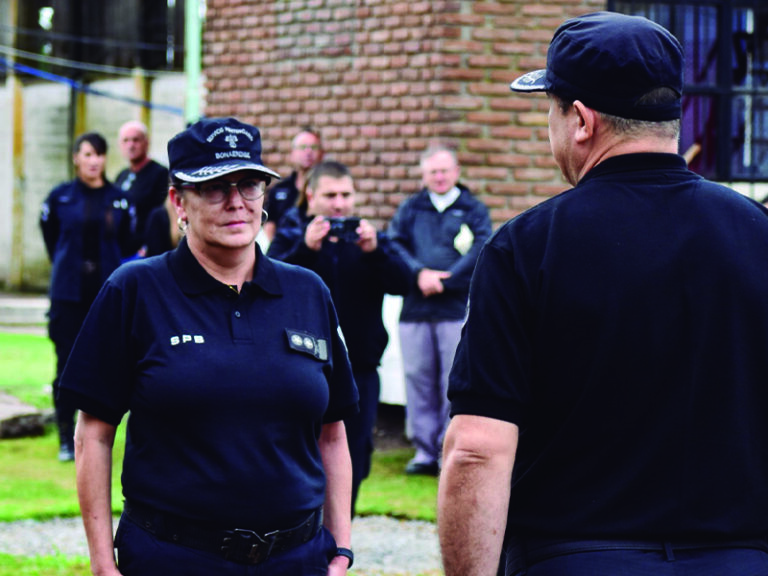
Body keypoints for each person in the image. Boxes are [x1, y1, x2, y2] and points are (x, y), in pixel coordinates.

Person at [438, 12, 768, 576]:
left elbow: (477, 449)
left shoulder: (526, 248)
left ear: (581, 120)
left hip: (575, 557)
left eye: (551, 109)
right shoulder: (757, 234)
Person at [59, 117, 358, 576]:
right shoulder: (135, 290)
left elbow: (332, 433)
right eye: (215, 187)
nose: (236, 202)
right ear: (179, 201)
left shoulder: (308, 292)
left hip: (296, 559)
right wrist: (103, 564)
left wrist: (341, 550)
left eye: (250, 185)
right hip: (173, 558)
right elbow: (93, 435)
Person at [268, 160, 411, 514]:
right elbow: (269, 284)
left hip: (359, 368)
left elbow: (404, 282)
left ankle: (343, 528)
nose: (339, 204)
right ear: (311, 195)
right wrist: (306, 249)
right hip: (299, 368)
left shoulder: (368, 238)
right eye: (330, 195)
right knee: (298, 451)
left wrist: (374, 252)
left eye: (346, 195)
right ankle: (301, 527)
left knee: (355, 454)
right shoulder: (291, 233)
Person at [387, 144, 491, 476]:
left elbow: (482, 246)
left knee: (452, 380)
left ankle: (449, 449)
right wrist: (419, 273)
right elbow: (394, 244)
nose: (440, 177)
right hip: (415, 310)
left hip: (454, 310)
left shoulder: (472, 209)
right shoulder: (410, 208)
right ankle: (423, 452)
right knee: (418, 379)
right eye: (433, 171)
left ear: (456, 172)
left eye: (445, 170)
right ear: (424, 175)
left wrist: (446, 281)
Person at [39, 132, 135, 462]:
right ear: (76, 158)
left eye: (99, 154)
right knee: (66, 364)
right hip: (68, 296)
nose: (94, 161)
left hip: (105, 296)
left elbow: (127, 241)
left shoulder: (119, 199)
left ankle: (101, 435)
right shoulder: (59, 197)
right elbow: (51, 238)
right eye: (88, 154)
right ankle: (66, 435)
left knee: (109, 366)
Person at [115, 120, 169, 255]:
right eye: (126, 141)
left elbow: (162, 216)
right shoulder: (122, 175)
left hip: (146, 253)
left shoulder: (160, 174)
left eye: (136, 140)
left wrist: (148, 246)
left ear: (146, 142)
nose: (131, 145)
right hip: (121, 252)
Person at [263, 127, 324, 241]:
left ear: (321, 153)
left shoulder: (327, 190)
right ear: (292, 153)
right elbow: (269, 226)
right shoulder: (279, 190)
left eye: (313, 147)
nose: (308, 152)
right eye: (303, 147)